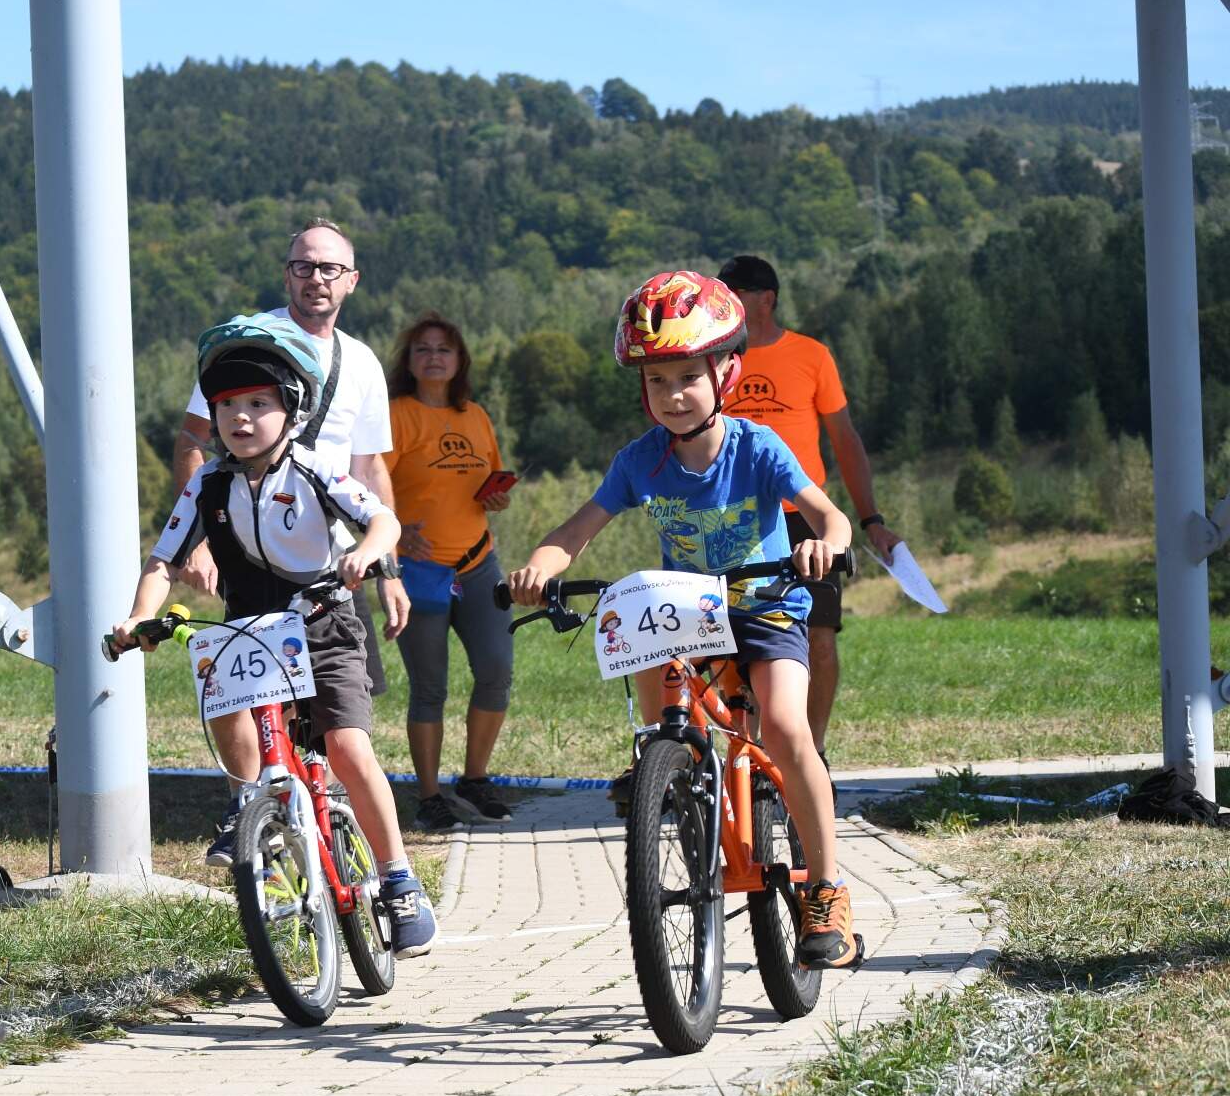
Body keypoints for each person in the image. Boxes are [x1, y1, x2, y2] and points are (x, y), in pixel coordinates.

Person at [506, 271, 858, 969]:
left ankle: (827, 890)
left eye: (687, 377)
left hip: (765, 607)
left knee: (787, 730)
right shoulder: (641, 459)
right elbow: (577, 529)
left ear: (726, 370)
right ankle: (664, 762)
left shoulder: (757, 449)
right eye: (658, 380)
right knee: (635, 622)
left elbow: (829, 514)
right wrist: (540, 566)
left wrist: (826, 543)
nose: (672, 394)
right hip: (692, 615)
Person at [115, 312, 438, 958]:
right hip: (250, 627)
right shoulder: (208, 482)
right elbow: (163, 562)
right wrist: (137, 618)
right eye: (227, 404)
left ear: (290, 409)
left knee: (346, 745)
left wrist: (367, 555)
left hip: (323, 621)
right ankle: (248, 806)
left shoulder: (314, 470)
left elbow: (383, 521)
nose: (240, 417)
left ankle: (400, 878)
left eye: (258, 403)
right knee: (223, 692)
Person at [169, 219, 410, 689]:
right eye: (304, 266)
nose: (316, 278)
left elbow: (369, 470)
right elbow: (192, 441)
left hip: (332, 562)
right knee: (259, 710)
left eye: (329, 268)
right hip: (254, 553)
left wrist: (387, 568)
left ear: (351, 281)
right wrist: (199, 544)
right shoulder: (246, 341)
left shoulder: (362, 361)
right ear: (287, 275)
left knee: (344, 719)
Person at [717, 255, 902, 752]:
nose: (722, 303)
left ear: (766, 300)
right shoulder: (717, 361)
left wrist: (871, 521)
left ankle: (812, 754)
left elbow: (845, 440)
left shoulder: (812, 355)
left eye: (732, 294)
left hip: (805, 521)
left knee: (819, 639)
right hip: (736, 522)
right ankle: (748, 756)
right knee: (730, 646)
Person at [382, 312, 517, 832]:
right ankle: (432, 795)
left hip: (479, 563)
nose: (434, 355)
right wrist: (392, 532)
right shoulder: (397, 414)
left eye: (444, 348)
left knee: (496, 671)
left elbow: (487, 482)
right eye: (423, 348)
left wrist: (496, 496)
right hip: (418, 570)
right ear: (409, 362)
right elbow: (370, 485)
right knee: (430, 687)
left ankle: (475, 780)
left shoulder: (476, 415)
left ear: (459, 361)